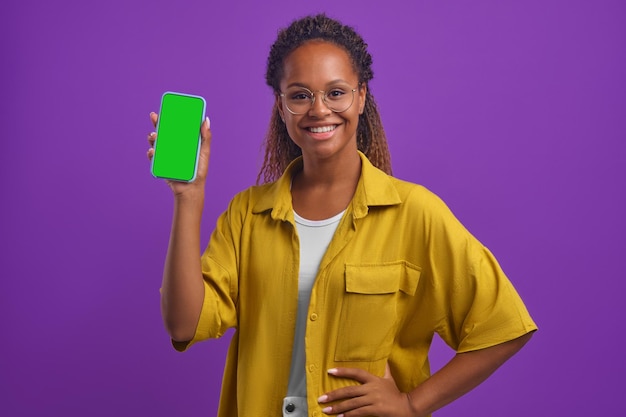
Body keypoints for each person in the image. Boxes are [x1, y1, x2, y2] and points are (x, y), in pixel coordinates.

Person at [146, 14, 537, 417]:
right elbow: (183, 325)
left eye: (336, 93)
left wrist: (413, 404)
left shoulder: (415, 213)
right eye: (300, 96)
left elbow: (503, 327)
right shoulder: (247, 214)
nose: (319, 110)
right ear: (281, 107)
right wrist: (188, 197)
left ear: (362, 96)